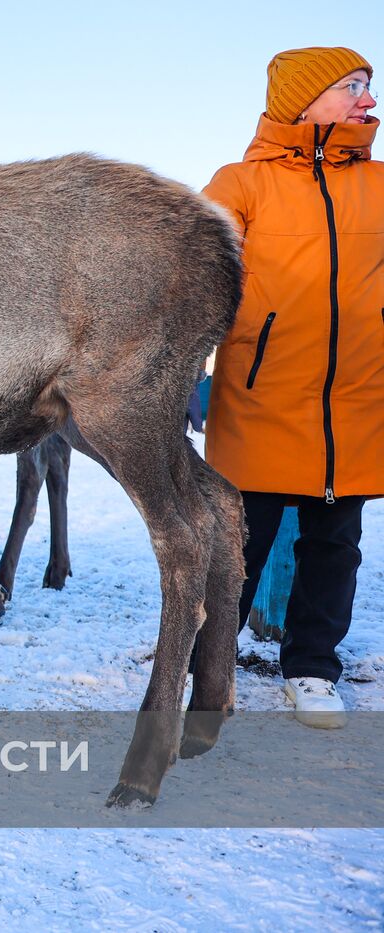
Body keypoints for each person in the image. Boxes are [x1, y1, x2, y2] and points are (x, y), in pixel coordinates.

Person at [202, 47, 380, 728]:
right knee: (237, 545)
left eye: (368, 86)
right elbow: (196, 280)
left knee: (336, 542)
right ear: (304, 101)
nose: (367, 99)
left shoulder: (381, 184)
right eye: (352, 86)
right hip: (261, 396)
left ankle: (311, 669)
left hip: (358, 399)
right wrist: (188, 369)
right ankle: (207, 666)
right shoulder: (240, 183)